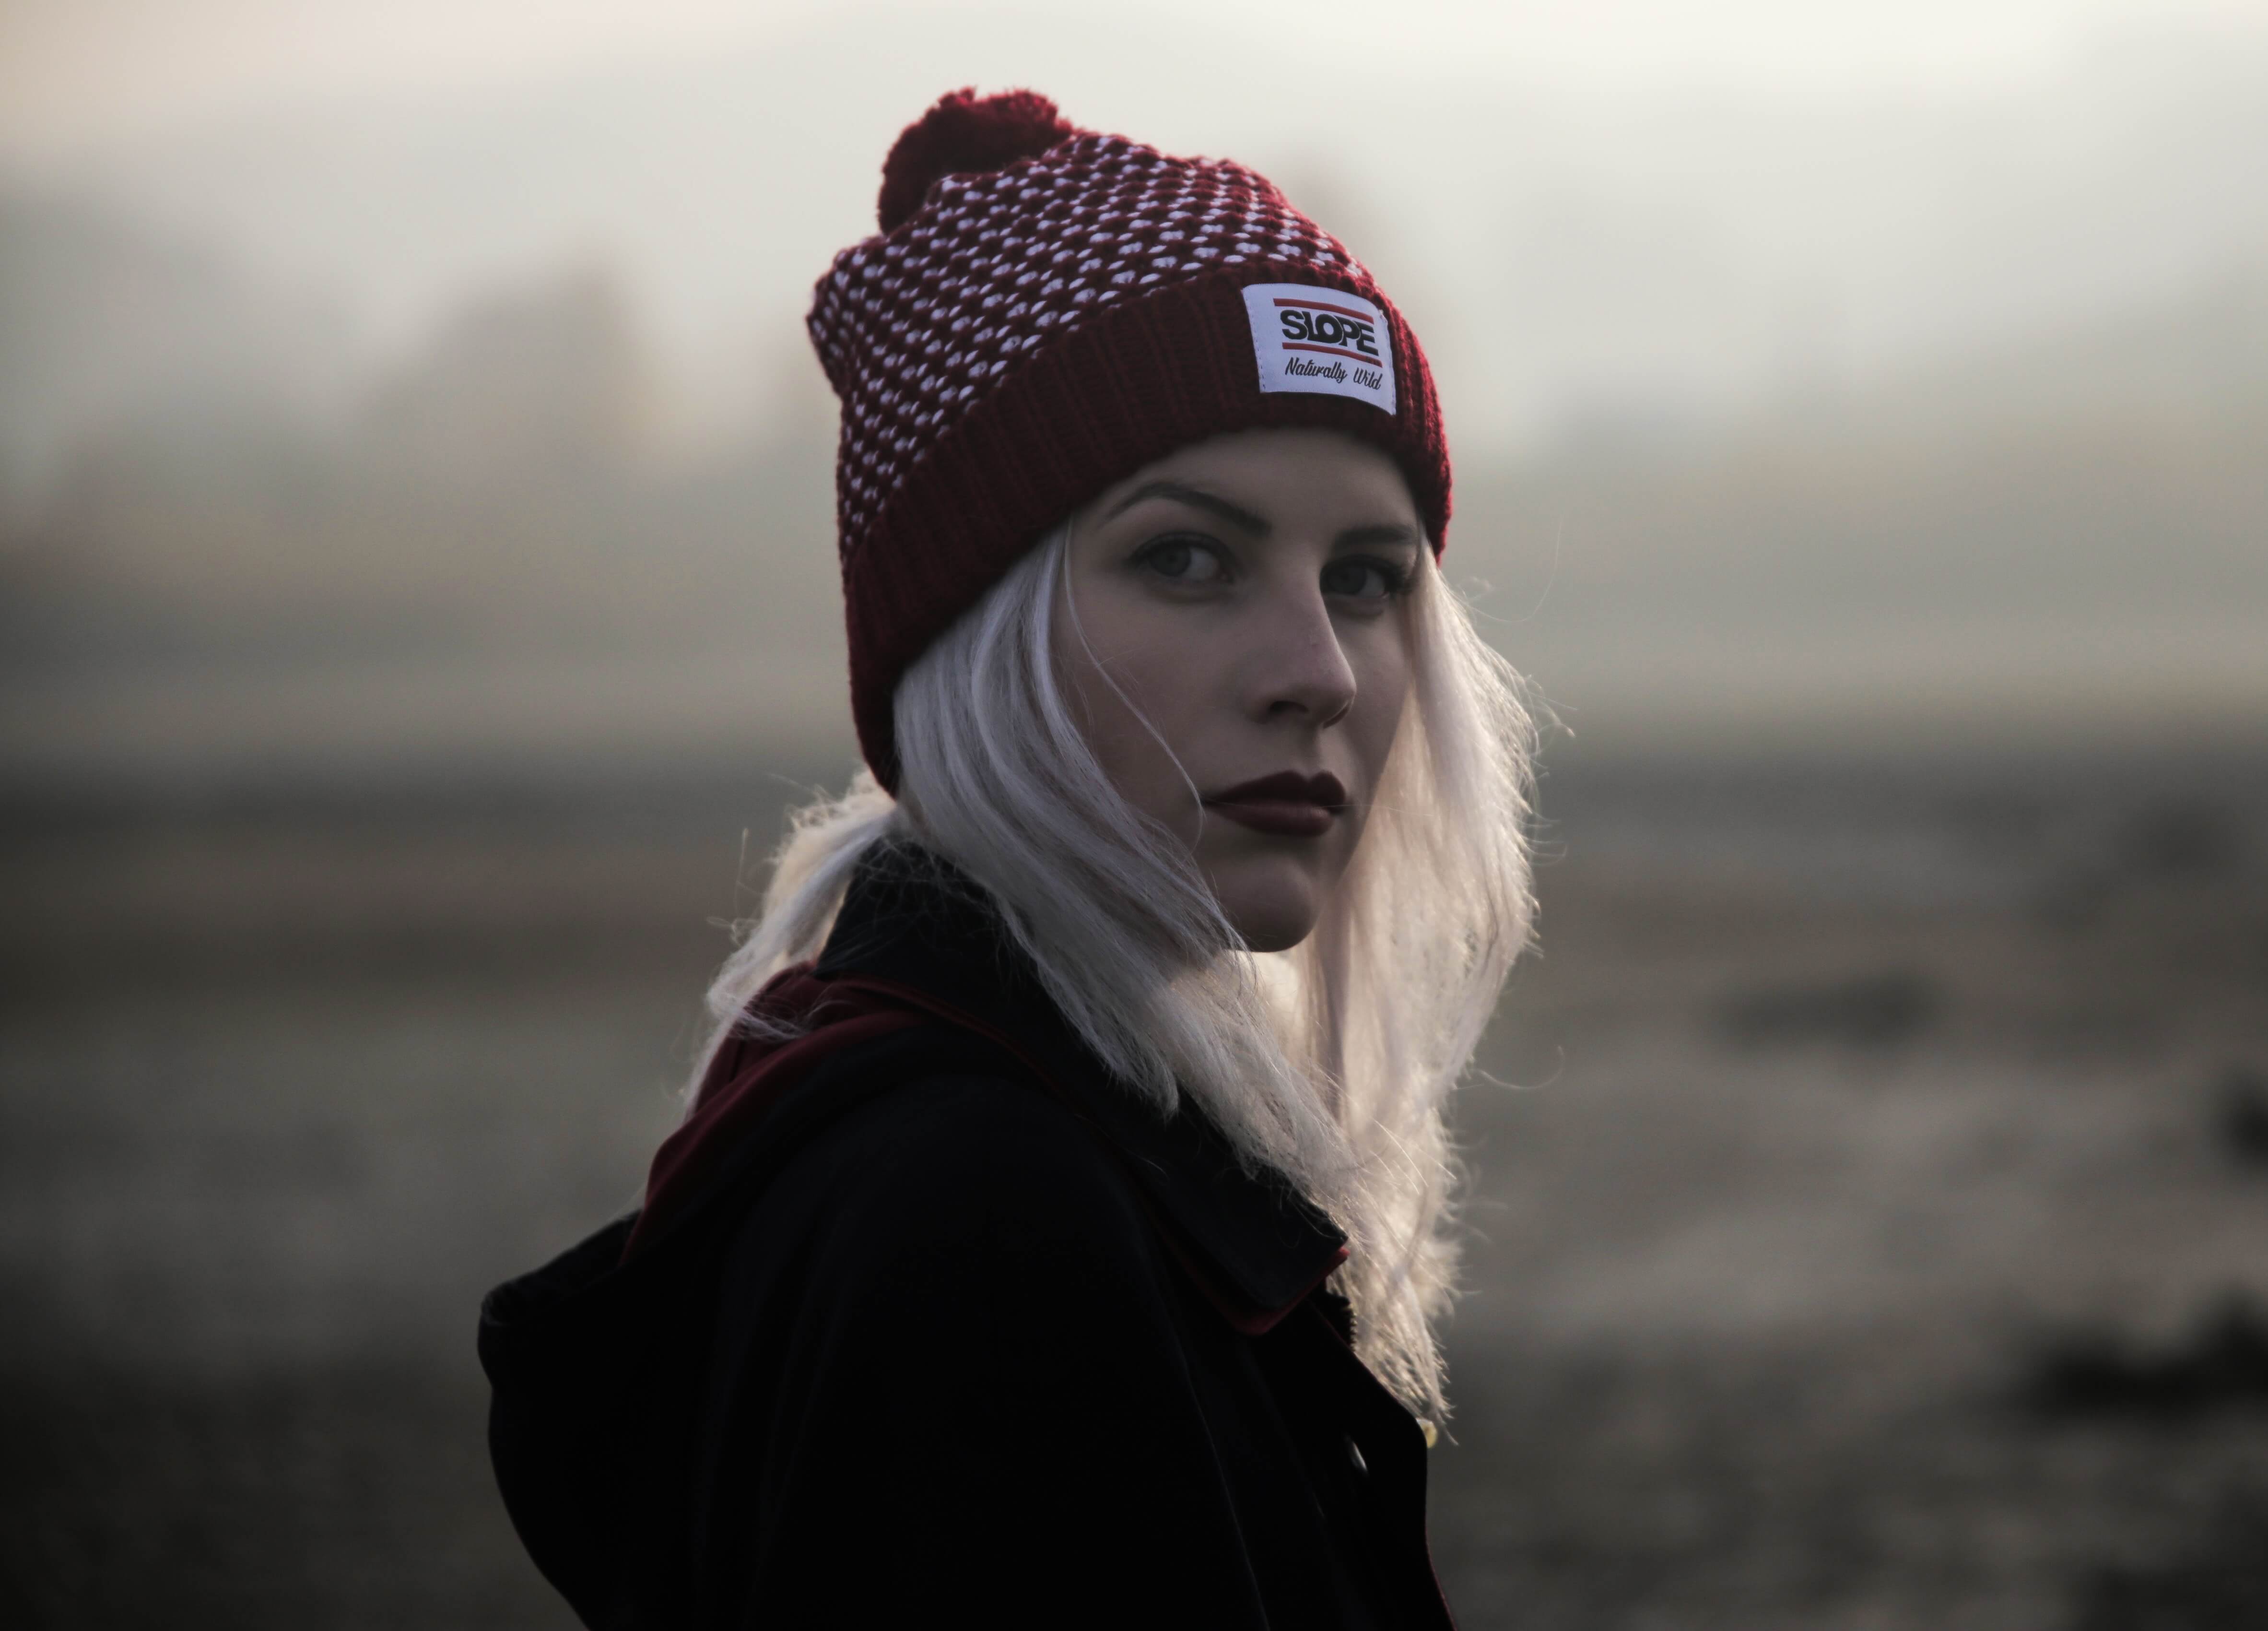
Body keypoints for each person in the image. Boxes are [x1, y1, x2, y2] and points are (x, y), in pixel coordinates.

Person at [479, 86, 1538, 1629]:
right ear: (974, 633)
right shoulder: (983, 1212)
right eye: (1188, 557)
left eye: (1368, 579)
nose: (1317, 670)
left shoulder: (989, 1137)